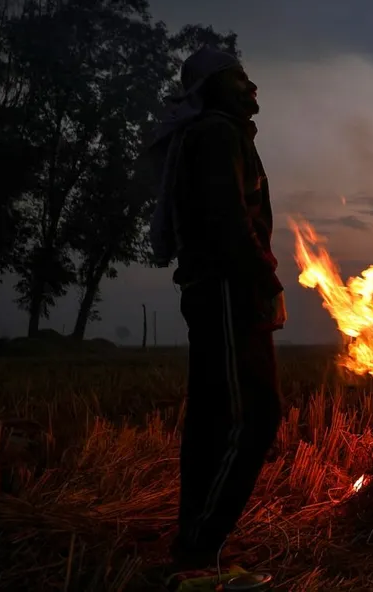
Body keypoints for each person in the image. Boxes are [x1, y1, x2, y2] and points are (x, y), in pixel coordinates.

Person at [147, 47, 286, 571]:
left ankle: (199, 542)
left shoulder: (222, 135)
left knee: (213, 420)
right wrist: (265, 283)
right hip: (227, 290)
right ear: (211, 86)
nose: (252, 87)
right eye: (239, 78)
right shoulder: (216, 135)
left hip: (222, 288)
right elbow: (229, 225)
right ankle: (199, 550)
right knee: (252, 415)